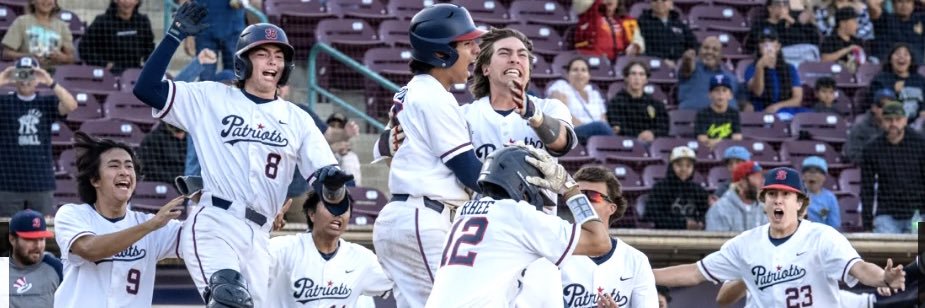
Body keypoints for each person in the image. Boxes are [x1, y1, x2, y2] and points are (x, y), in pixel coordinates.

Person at [132, 3, 352, 306]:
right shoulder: (212, 97)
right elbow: (146, 89)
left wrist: (334, 188)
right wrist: (174, 35)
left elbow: (331, 190)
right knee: (228, 296)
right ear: (243, 63)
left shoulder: (298, 119)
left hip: (260, 234)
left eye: (279, 56)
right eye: (262, 53)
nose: (272, 61)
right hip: (216, 221)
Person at [653, 167, 907, 307]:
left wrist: (884, 277)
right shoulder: (745, 244)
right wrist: (642, 272)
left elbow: (859, 268)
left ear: (800, 204)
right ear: (764, 202)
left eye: (786, 195)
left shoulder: (822, 237)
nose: (778, 199)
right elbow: (694, 273)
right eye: (772, 194)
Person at [370, 4, 486, 307]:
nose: (474, 51)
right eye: (466, 43)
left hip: (411, 218)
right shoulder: (433, 96)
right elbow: (470, 173)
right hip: (424, 219)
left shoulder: (412, 92)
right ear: (441, 53)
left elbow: (383, 148)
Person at [425, 145, 612, 307]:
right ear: (521, 184)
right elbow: (600, 242)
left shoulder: (464, 212)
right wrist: (570, 188)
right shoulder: (517, 215)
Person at [53, 132, 184, 307]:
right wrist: (150, 226)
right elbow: (89, 249)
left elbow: (200, 237)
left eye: (129, 167)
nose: (124, 172)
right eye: (114, 166)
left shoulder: (153, 225)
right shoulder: (72, 214)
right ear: (95, 179)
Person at [267, 188, 393, 307]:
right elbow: (249, 263)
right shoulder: (283, 249)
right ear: (312, 214)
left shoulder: (362, 258)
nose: (338, 213)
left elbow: (402, 281)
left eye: (343, 208)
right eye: (330, 206)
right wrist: (263, 230)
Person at [559, 166, 658, 308]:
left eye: (592, 196)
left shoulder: (635, 260)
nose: (583, 203)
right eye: (578, 196)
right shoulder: (554, 252)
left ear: (611, 208)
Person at [0, 56, 77, 217]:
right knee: (6, 235)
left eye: (30, 74)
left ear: (37, 79)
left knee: (40, 234)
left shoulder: (46, 103)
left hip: (40, 183)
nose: (25, 80)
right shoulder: (4, 102)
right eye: (21, 74)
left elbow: (71, 105)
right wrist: (2, 79)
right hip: (7, 184)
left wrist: (50, 81)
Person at [860, 101, 925, 233]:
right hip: (887, 213)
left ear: (905, 120)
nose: (893, 123)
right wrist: (867, 224)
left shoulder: (920, 145)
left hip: (917, 212)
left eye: (898, 119)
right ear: (881, 121)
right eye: (889, 120)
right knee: (885, 250)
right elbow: (867, 188)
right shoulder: (872, 149)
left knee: (920, 247)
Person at [546, 56, 614, 144]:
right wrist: (587, 126)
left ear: (589, 76)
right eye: (575, 70)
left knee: (602, 127)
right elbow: (561, 114)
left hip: (596, 133)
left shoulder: (594, 93)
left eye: (583, 70)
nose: (579, 73)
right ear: (567, 74)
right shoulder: (561, 86)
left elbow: (603, 119)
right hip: (571, 131)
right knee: (600, 127)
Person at [78, 0, 155, 74]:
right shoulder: (101, 22)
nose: (127, 2)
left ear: (137, 1)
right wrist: (104, 64)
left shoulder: (143, 22)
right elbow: (84, 49)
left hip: (134, 73)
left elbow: (150, 49)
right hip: (109, 74)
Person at [644, 146, 710, 230]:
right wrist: (682, 224)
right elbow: (652, 216)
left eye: (688, 166)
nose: (684, 169)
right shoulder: (660, 188)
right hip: (665, 236)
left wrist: (701, 222)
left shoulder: (698, 190)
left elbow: (706, 213)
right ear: (671, 167)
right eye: (679, 165)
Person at [177, 0, 245, 81]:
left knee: (237, 79)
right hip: (204, 28)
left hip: (234, 28)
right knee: (205, 81)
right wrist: (188, 34)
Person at [8, 209, 61, 308]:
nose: (38, 245)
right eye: (30, 239)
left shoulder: (56, 267)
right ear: (12, 239)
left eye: (41, 239)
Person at [744, 27, 804, 113]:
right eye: (763, 42)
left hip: (784, 110)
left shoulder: (790, 68)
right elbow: (758, 92)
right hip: (761, 110)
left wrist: (777, 106)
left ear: (778, 46)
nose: (767, 45)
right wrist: (760, 67)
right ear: (759, 47)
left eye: (771, 41)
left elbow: (797, 99)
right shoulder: (752, 68)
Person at [0, 0, 75, 68]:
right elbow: (6, 53)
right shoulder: (21, 22)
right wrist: (29, 57)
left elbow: (71, 57)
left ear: (55, 3)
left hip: (55, 74)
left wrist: (62, 57)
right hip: (26, 71)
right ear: (33, 2)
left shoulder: (62, 26)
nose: (46, 1)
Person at [606, 61, 669, 142]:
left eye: (641, 74)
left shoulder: (655, 104)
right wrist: (638, 136)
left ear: (646, 79)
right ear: (626, 78)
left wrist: (653, 133)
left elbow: (664, 127)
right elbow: (617, 128)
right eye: (633, 74)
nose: (637, 78)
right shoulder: (616, 103)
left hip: (651, 144)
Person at [678, 36, 739, 111]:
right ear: (699, 50)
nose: (709, 52)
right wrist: (687, 61)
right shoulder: (692, 67)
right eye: (706, 48)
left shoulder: (731, 77)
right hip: (692, 118)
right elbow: (686, 70)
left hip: (725, 119)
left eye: (715, 50)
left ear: (721, 55)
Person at [868, 43, 925, 122]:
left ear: (911, 60)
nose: (901, 57)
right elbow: (877, 107)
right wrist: (894, 91)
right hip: (892, 123)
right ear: (890, 59)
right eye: (897, 54)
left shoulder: (920, 80)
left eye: (906, 54)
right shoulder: (881, 80)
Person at [572, 0, 644, 62]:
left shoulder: (627, 20)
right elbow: (579, 4)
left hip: (619, 62)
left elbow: (638, 40)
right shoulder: (589, 14)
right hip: (593, 60)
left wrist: (636, 45)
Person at [705, 160, 767, 232]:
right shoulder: (720, 209)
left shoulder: (763, 209)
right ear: (742, 182)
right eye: (756, 177)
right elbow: (715, 242)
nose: (762, 182)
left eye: (761, 177)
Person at [637, 0, 698, 67]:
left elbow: (693, 43)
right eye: (655, 0)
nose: (659, 2)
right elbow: (642, 49)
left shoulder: (679, 23)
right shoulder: (642, 23)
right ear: (651, 3)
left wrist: (691, 52)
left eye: (664, 0)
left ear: (671, 3)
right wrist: (662, 60)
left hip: (679, 66)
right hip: (653, 65)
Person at [744, 0, 819, 54]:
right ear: (770, 8)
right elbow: (749, 46)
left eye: (785, 3)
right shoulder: (761, 25)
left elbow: (815, 41)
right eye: (778, 3)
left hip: (803, 58)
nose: (782, 6)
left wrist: (794, 23)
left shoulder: (795, 24)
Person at [844, 88, 892, 163]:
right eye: (882, 106)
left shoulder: (897, 126)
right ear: (873, 108)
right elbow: (853, 155)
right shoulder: (860, 127)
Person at [695, 74, 743, 150]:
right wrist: (725, 142)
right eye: (716, 90)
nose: (720, 94)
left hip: (729, 150)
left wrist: (718, 141)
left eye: (724, 90)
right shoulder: (702, 113)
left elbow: (737, 137)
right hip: (707, 150)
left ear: (730, 95)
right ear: (710, 95)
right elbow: (702, 139)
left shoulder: (734, 113)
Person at [801, 156, 840, 230]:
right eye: (809, 171)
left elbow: (834, 226)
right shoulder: (795, 195)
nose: (812, 174)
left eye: (817, 172)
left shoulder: (830, 198)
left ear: (824, 177)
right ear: (803, 176)